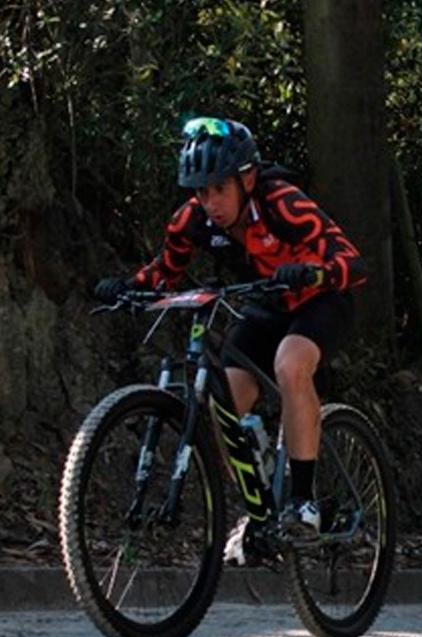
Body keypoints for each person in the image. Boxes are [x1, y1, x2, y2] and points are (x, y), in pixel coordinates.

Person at [92, 117, 366, 564]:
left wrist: (314, 270)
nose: (209, 202)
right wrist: (126, 286)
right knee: (224, 406)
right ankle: (260, 511)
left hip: (320, 302)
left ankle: (303, 502)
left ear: (247, 178)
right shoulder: (193, 220)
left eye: (219, 189)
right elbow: (165, 270)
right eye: (201, 191)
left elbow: (351, 262)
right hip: (264, 306)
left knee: (289, 365)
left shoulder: (283, 203)